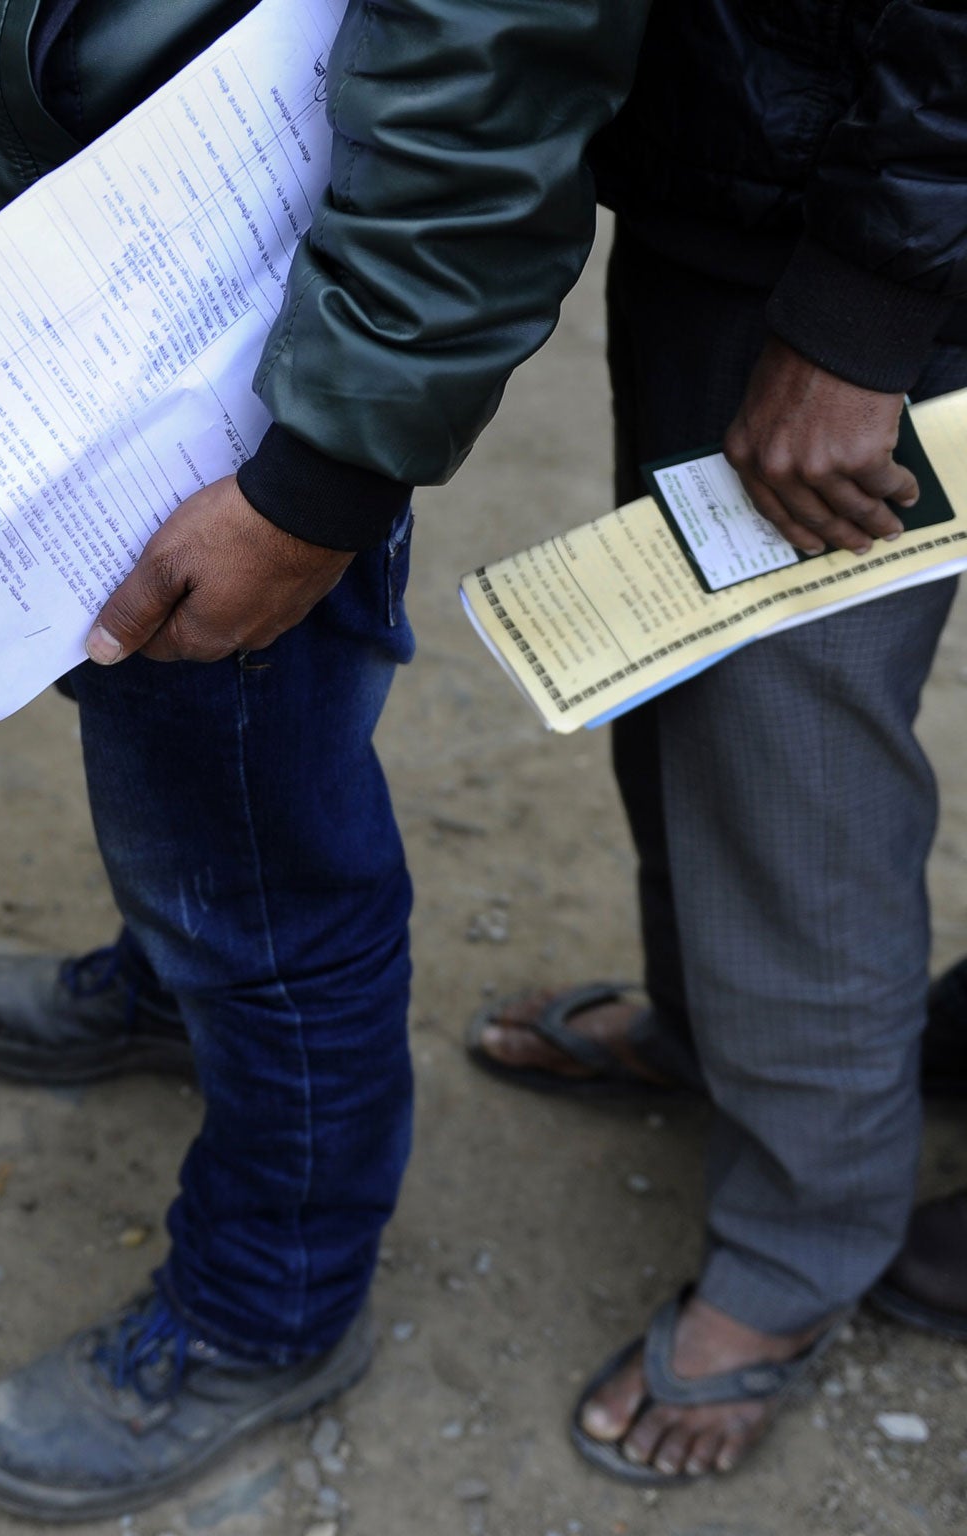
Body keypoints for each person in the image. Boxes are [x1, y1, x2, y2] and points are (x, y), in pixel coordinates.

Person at [0, 0, 648, 1518]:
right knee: (168, 753)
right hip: (70, 272)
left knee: (264, 873)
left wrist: (320, 472)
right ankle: (174, 979)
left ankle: (268, 1309)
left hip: (235, 353)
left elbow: (494, 56)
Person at [457, 0, 967, 1485]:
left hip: (866, 224)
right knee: (682, 679)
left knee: (784, 752)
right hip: (748, 150)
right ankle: (716, 1029)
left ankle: (797, 1251)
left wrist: (865, 304)